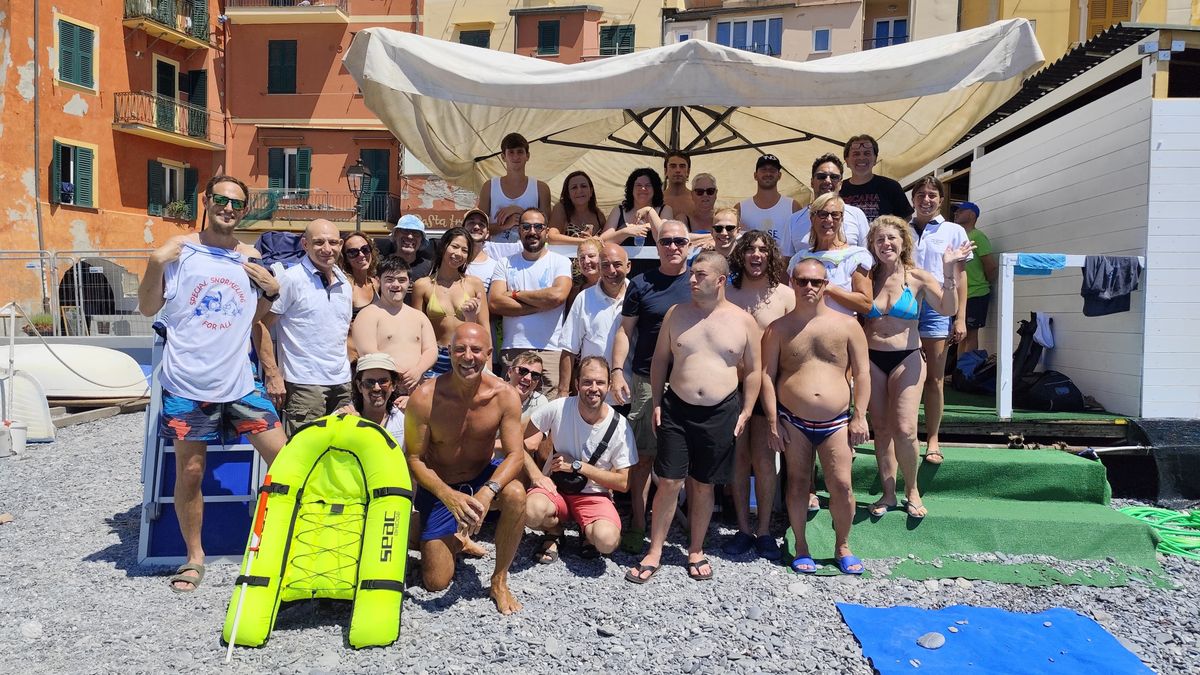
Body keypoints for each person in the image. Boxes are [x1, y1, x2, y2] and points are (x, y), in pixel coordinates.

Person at [137, 174, 287, 592]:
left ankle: (275, 544)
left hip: (240, 383)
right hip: (187, 384)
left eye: (236, 203)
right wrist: (154, 261)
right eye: (220, 200)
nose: (227, 208)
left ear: (245, 210)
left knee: (288, 460)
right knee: (190, 471)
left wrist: (271, 295)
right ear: (206, 201)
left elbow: (251, 318)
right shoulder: (180, 251)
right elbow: (149, 307)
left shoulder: (249, 256)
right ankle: (194, 557)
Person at [625, 251, 761, 584]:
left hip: (721, 412)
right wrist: (657, 401)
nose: (691, 279)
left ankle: (696, 549)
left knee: (703, 485)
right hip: (676, 407)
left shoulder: (744, 320)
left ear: (720, 280)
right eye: (691, 274)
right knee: (669, 481)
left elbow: (756, 371)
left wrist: (746, 410)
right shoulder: (676, 313)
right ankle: (655, 550)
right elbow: (659, 361)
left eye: (699, 274)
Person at [404, 323, 528, 614]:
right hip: (439, 486)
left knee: (516, 494)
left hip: (480, 476)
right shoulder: (424, 398)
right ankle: (453, 538)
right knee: (436, 582)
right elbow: (414, 459)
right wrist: (448, 496)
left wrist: (487, 493)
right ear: (450, 352)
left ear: (488, 354)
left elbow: (515, 456)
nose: (467, 356)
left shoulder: (504, 396)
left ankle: (499, 580)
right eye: (460, 349)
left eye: (475, 350)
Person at [761, 259, 871, 575]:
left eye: (816, 282)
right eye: (803, 281)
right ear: (792, 283)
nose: (809, 287)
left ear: (826, 285)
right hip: (792, 420)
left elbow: (863, 373)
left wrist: (860, 416)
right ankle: (801, 546)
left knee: (842, 485)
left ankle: (843, 546)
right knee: (796, 484)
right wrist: (772, 421)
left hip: (836, 421)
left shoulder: (849, 325)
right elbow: (767, 376)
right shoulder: (778, 328)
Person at [863, 217, 972, 519]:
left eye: (892, 238)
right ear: (872, 245)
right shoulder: (866, 277)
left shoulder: (918, 277)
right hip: (872, 359)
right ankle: (887, 493)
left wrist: (949, 271)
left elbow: (947, 309)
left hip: (907, 357)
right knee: (882, 430)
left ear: (903, 242)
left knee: (906, 430)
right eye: (879, 239)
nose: (886, 244)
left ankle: (911, 489)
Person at [610, 221, 693, 554]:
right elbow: (623, 332)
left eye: (679, 241)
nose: (673, 246)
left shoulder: (700, 282)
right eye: (666, 241)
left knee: (688, 459)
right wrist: (618, 370)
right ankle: (639, 524)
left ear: (689, 245)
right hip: (646, 380)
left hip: (690, 381)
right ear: (657, 245)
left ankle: (684, 526)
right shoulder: (641, 284)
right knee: (643, 458)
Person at [523, 356, 638, 563]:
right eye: (587, 382)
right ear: (577, 384)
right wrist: (536, 475)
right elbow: (518, 442)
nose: (593, 388)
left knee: (607, 541)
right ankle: (555, 531)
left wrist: (578, 467)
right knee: (530, 510)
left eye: (600, 382)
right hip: (555, 488)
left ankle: (588, 532)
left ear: (609, 385)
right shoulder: (558, 407)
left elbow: (624, 483)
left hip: (594, 495)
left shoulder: (620, 426)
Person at [723, 230, 794, 558]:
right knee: (738, 459)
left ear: (771, 255)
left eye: (763, 249)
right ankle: (742, 528)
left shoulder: (784, 295)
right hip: (730, 387)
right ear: (741, 254)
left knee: (765, 459)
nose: (756, 254)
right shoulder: (728, 292)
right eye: (750, 249)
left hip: (769, 386)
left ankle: (764, 529)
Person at [257, 219, 353, 437]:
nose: (327, 249)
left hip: (341, 384)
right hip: (304, 386)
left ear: (340, 244)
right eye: (319, 242)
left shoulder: (344, 283)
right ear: (305, 244)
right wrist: (272, 375)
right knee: (307, 456)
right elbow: (260, 324)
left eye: (332, 242)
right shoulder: (290, 280)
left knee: (339, 452)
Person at [909, 175, 972, 465]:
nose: (926, 200)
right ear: (913, 199)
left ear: (941, 199)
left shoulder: (954, 230)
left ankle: (932, 439)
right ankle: (906, 435)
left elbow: (960, 276)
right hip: (906, 305)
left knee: (934, 379)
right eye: (921, 194)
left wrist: (960, 317)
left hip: (938, 306)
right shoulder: (902, 228)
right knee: (907, 378)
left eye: (932, 195)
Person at [487, 208, 572, 396]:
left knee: (548, 417)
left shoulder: (561, 261)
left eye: (538, 226)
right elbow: (495, 302)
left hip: (550, 351)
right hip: (513, 349)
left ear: (546, 230)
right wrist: (543, 304)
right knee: (510, 411)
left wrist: (515, 294)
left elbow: (557, 296)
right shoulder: (504, 263)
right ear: (519, 230)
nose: (532, 231)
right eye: (526, 227)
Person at [351, 256, 439, 399]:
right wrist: (399, 374)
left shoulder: (419, 317)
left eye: (402, 280)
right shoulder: (367, 314)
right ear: (379, 281)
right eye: (389, 280)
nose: (396, 285)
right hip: (381, 392)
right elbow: (368, 351)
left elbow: (431, 350)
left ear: (409, 283)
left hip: (416, 389)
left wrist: (417, 371)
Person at [557, 243, 631, 405]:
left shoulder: (638, 294)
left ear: (629, 266)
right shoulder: (584, 298)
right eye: (605, 265)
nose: (611, 271)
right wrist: (563, 392)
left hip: (632, 395)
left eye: (617, 264)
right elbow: (569, 348)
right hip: (594, 396)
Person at [410, 227, 489, 378]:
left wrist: (488, 366)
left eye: (464, 250)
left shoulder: (474, 284)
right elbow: (416, 332)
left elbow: (484, 328)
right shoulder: (422, 285)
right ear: (443, 246)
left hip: (467, 356)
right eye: (454, 246)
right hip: (434, 357)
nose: (458, 253)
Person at [786, 193, 874, 316]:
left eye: (835, 215)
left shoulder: (857, 256)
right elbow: (789, 300)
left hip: (842, 331)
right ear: (812, 218)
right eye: (822, 214)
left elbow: (866, 304)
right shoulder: (799, 259)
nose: (829, 220)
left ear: (842, 219)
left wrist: (829, 288)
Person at [477, 132, 551, 243]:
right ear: (503, 157)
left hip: (530, 255)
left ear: (528, 156)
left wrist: (521, 212)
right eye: (511, 152)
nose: (516, 156)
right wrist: (504, 225)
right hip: (497, 255)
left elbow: (546, 227)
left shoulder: (541, 188)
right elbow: (478, 228)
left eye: (520, 152)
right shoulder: (489, 187)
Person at [788, 153, 871, 252]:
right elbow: (786, 261)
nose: (827, 181)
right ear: (811, 182)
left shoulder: (856, 215)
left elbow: (868, 257)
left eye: (834, 177)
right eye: (821, 176)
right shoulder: (793, 220)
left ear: (840, 184)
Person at [737, 154, 802, 255]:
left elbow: (799, 241)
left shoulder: (793, 206)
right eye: (763, 169)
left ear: (779, 175)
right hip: (751, 268)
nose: (768, 173)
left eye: (772, 170)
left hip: (783, 268)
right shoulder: (740, 208)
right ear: (755, 175)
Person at [954, 202, 997, 354]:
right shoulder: (957, 237)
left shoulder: (978, 236)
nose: (956, 213)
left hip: (977, 293)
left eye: (961, 210)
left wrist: (982, 284)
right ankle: (959, 372)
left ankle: (968, 371)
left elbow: (991, 266)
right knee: (960, 334)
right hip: (960, 294)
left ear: (972, 215)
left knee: (971, 333)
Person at [839, 134, 913, 222]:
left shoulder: (891, 187)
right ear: (846, 161)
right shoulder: (838, 190)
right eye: (856, 154)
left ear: (875, 159)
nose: (862, 157)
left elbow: (906, 217)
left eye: (867, 153)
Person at [340, 351, 406, 440]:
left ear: (393, 385)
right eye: (369, 382)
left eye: (383, 381)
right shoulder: (342, 418)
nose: (377, 388)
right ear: (359, 386)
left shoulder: (404, 418)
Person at [604, 168, 671, 246]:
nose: (643, 188)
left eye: (648, 185)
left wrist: (649, 211)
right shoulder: (618, 210)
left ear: (655, 189)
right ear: (631, 188)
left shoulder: (665, 209)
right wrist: (625, 232)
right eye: (638, 185)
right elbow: (603, 241)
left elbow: (664, 239)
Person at [548, 171, 618, 244]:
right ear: (568, 194)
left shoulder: (598, 215)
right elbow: (551, 237)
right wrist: (584, 241)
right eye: (574, 187)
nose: (579, 190)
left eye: (583, 186)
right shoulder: (561, 208)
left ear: (591, 191)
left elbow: (608, 240)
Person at [390, 214, 435, 282]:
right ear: (396, 235)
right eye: (405, 231)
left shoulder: (430, 268)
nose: (410, 236)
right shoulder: (382, 265)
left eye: (416, 233)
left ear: (421, 240)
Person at [564, 237, 603, 315]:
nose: (586, 261)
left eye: (591, 256)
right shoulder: (575, 291)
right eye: (582, 258)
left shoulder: (614, 286)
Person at [662, 151, 695, 222]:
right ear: (665, 171)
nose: (678, 170)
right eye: (673, 166)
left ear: (688, 172)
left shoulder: (696, 200)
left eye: (682, 166)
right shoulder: (657, 200)